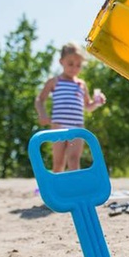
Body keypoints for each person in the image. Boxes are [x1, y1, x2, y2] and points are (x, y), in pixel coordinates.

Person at [35, 42, 106, 172]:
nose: (74, 68)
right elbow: (40, 99)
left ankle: (75, 189)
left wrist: (97, 102)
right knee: (58, 162)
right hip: (58, 127)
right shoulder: (55, 81)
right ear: (61, 61)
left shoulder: (81, 84)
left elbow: (88, 107)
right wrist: (42, 114)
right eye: (70, 64)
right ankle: (58, 190)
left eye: (78, 65)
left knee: (74, 160)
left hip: (77, 127)